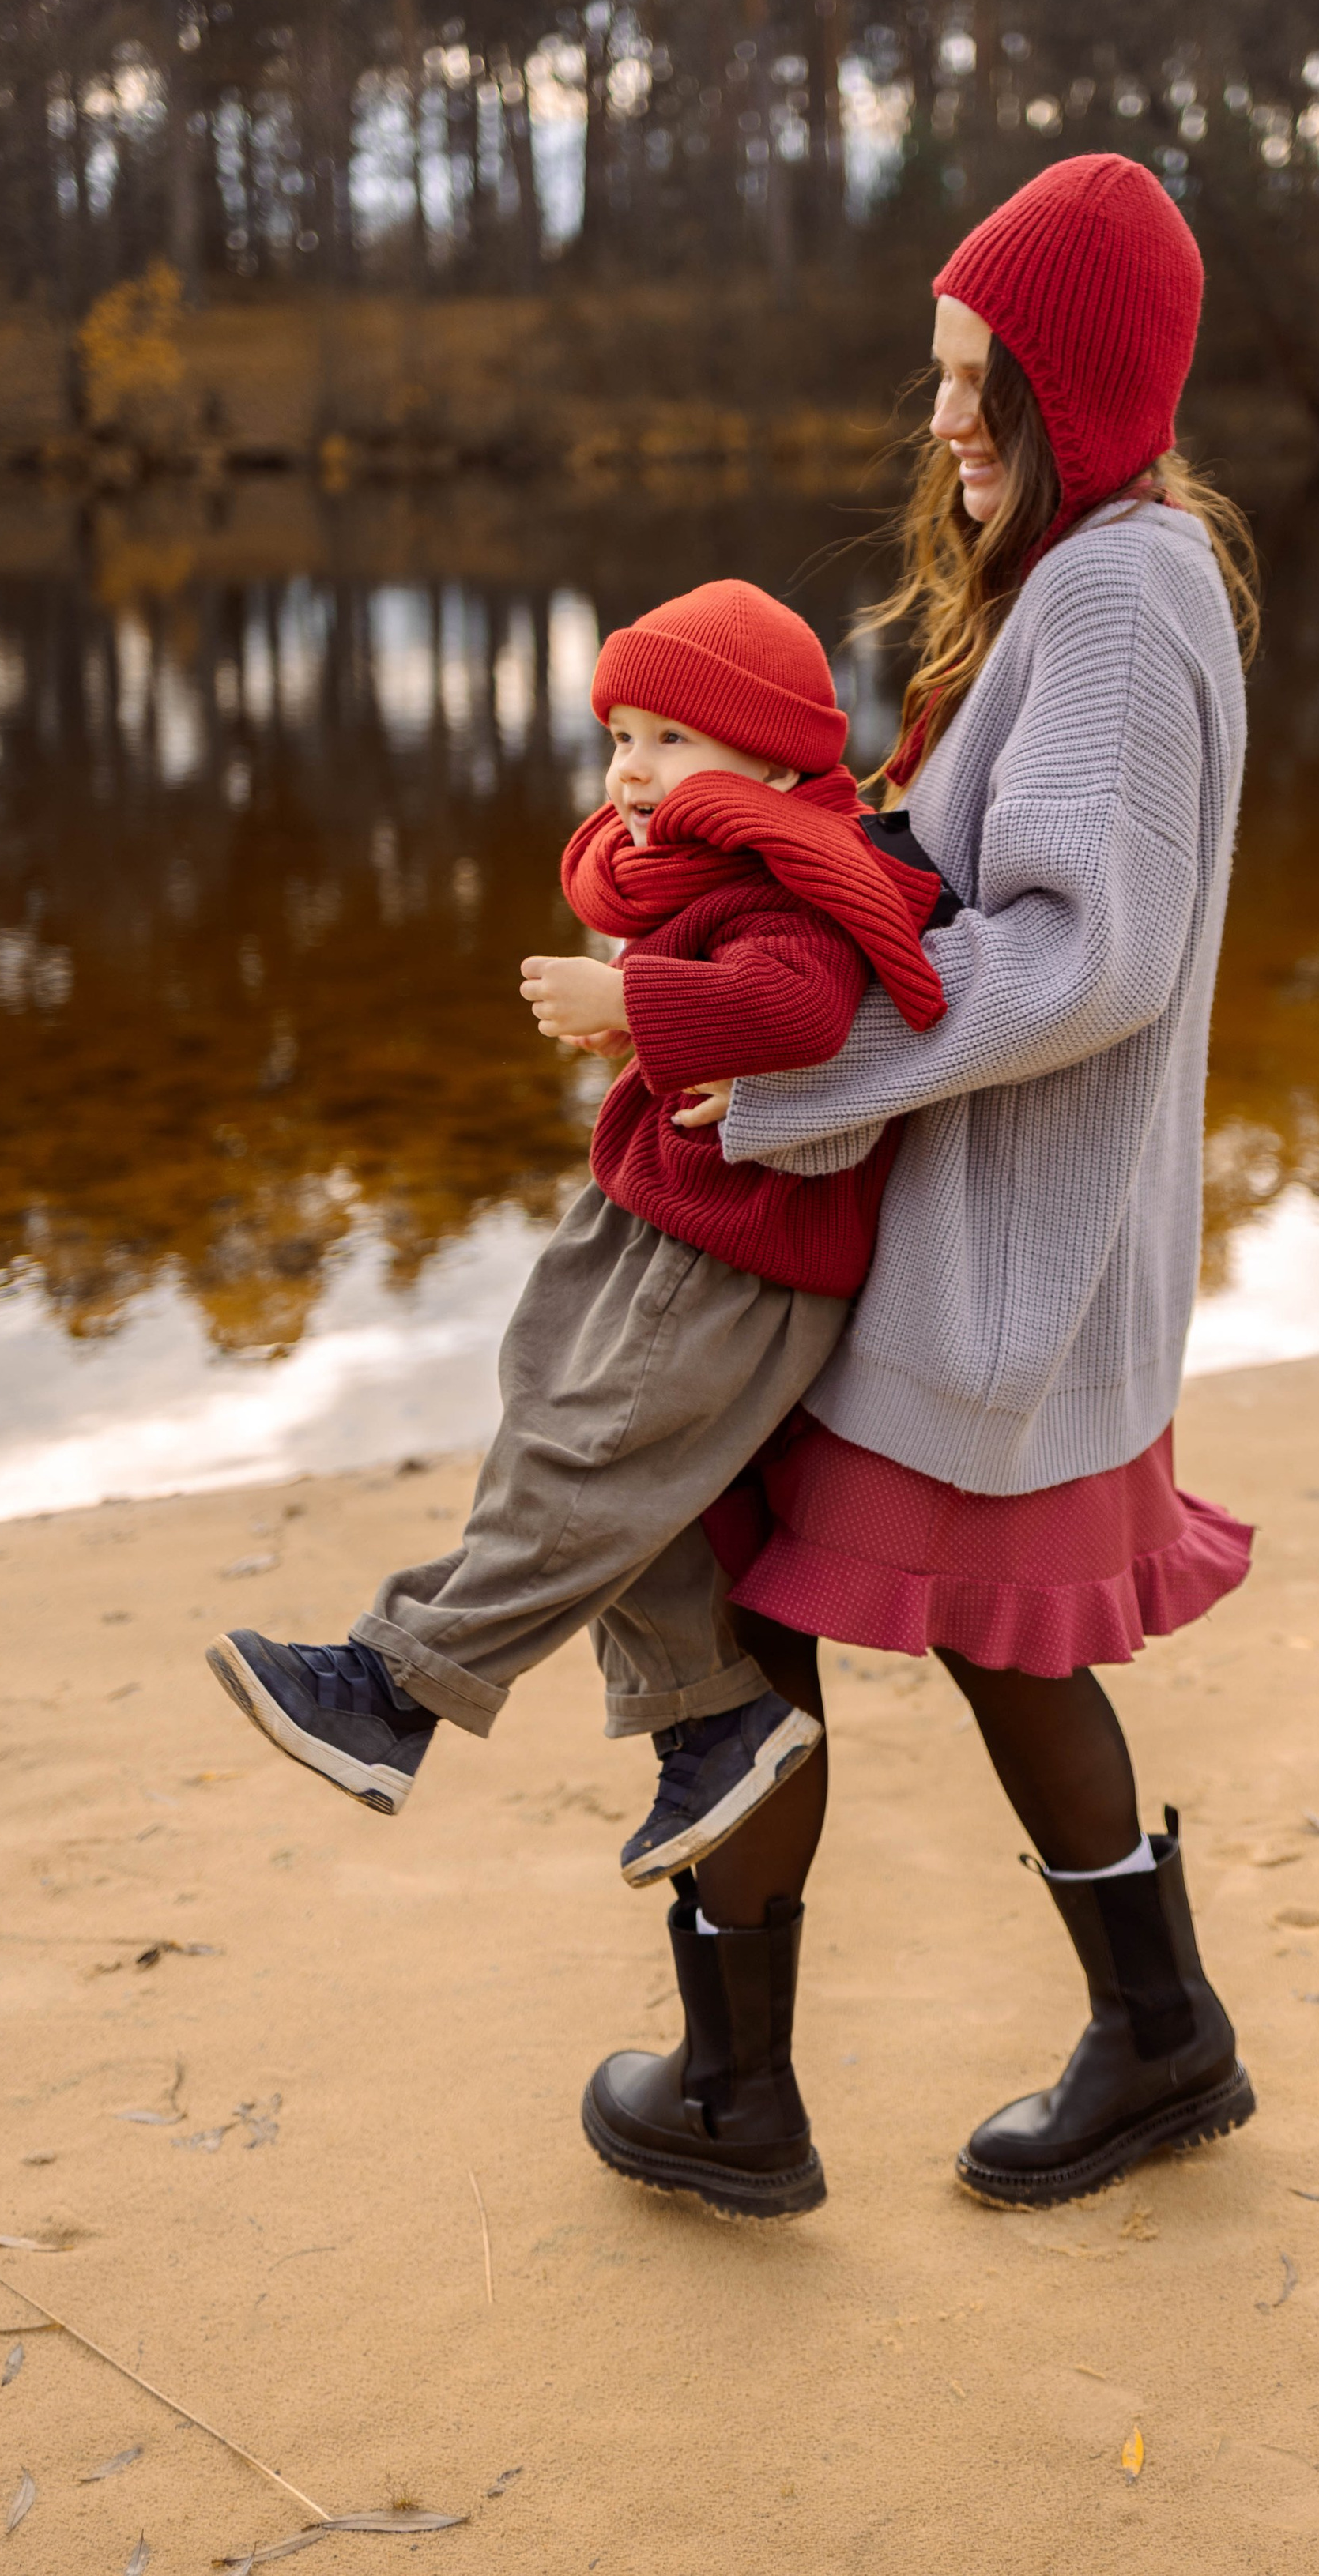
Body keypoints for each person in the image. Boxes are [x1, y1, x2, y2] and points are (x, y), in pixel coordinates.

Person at [582, 153, 1262, 2224]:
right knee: (849, 1603)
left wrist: (753, 1054)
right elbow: (989, 888)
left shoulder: (1119, 593)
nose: (949, 418)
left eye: (989, 382)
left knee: (781, 1587)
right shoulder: (1094, 578)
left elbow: (1085, 947)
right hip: (975, 1240)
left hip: (998, 1256)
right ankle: (1104, 2039)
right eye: (942, 375)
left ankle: (756, 2080)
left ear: (1091, 393)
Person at [207, 579, 948, 1919]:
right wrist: (649, 1016)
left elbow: (799, 1002)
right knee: (549, 1392)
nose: (633, 766)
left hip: (743, 1234)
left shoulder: (793, 868)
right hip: (660, 1199)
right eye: (621, 733)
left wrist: (640, 998)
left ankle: (396, 1686)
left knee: (591, 1451)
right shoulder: (704, 862)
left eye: (674, 737)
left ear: (776, 758)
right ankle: (715, 1718)